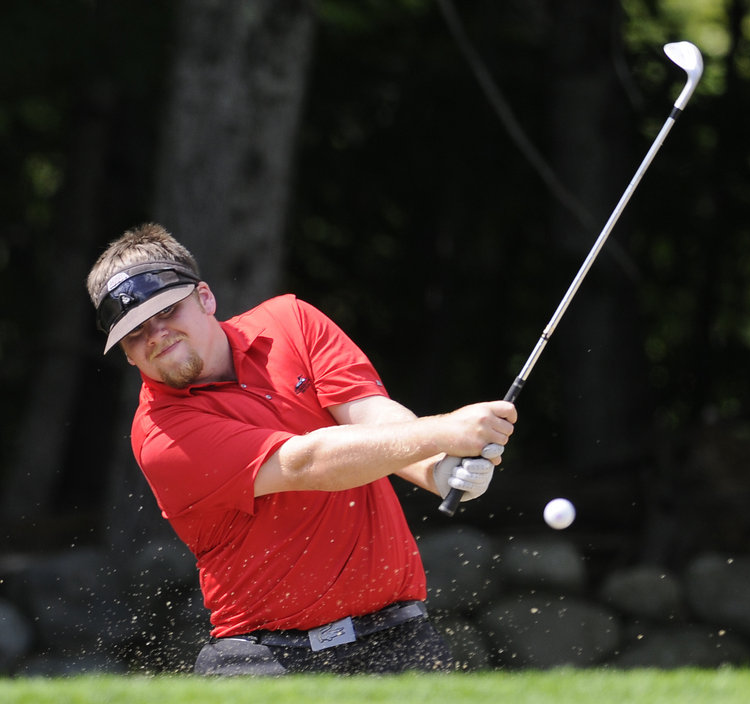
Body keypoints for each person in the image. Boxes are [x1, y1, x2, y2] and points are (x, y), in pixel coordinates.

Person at [87, 223, 517, 676]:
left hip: (399, 640)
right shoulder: (160, 434)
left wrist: (437, 469)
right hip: (265, 662)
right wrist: (446, 432)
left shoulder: (290, 320)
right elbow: (305, 462)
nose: (156, 334)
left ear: (205, 298)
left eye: (167, 310)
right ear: (128, 356)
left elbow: (372, 417)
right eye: (135, 333)